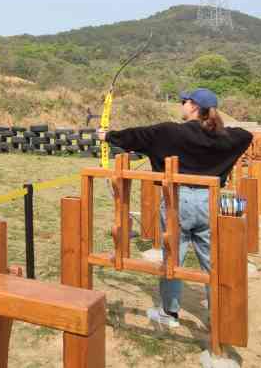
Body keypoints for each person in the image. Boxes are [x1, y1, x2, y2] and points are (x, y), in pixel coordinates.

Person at [98, 88, 253, 329]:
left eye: (184, 102)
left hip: (176, 200)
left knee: (172, 257)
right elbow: (244, 134)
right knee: (212, 260)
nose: (181, 105)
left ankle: (169, 313)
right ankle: (219, 314)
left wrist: (108, 135)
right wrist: (216, 122)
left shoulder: (169, 132)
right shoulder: (229, 138)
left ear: (193, 107)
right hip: (208, 201)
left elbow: (135, 136)